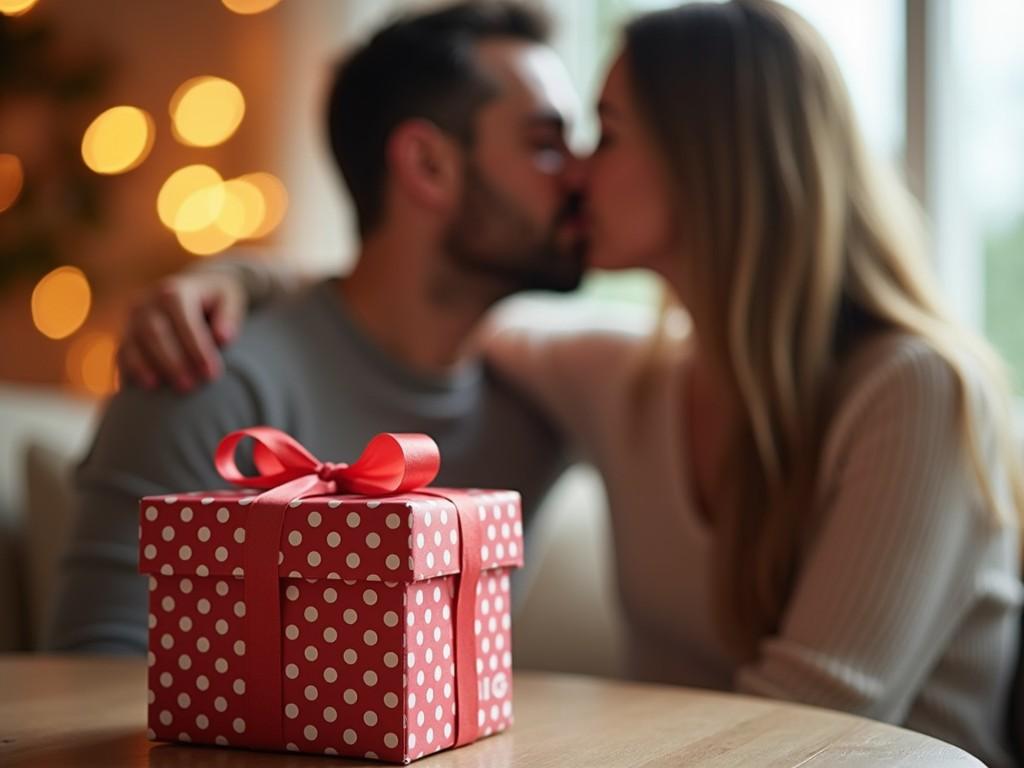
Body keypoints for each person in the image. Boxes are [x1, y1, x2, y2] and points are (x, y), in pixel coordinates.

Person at [130, 2, 1024, 764]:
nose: (581, 171)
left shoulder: (918, 394)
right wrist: (233, 281)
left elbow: (813, 734)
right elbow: (403, 300)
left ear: (708, 163)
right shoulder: (627, 378)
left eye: (608, 133)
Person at [48, 1, 586, 654]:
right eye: (545, 145)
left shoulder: (551, 403)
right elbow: (94, 678)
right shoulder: (205, 381)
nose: (580, 175)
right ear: (429, 166)